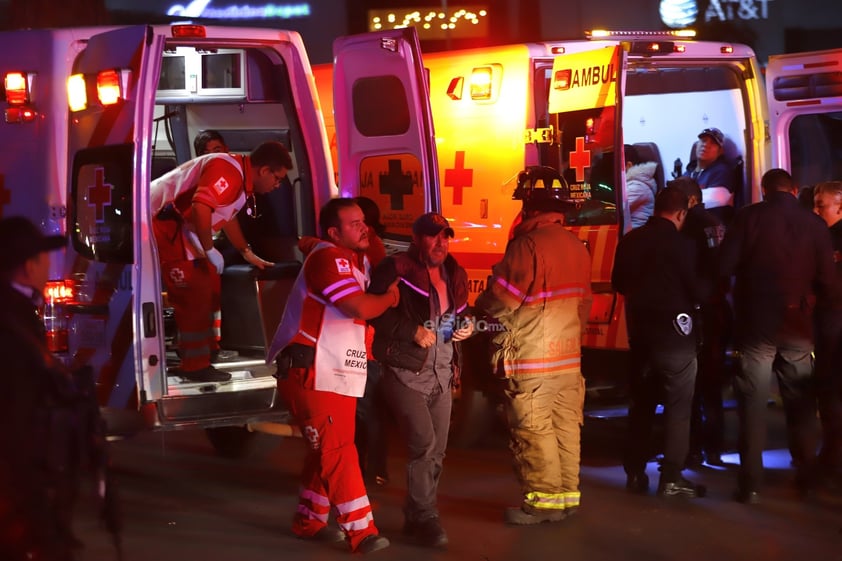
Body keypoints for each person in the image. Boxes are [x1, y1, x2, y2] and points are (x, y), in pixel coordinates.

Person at [267, 198, 399, 555]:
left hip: (334, 369)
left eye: (364, 221)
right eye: (354, 223)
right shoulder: (330, 258)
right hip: (312, 371)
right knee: (336, 450)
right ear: (333, 232)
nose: (365, 228)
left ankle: (309, 520)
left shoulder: (351, 259)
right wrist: (389, 297)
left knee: (326, 449)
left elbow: (373, 250)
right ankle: (362, 531)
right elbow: (357, 307)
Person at [475, 169, 592, 524]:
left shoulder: (527, 246)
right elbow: (584, 305)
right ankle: (566, 497)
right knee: (566, 429)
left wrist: (477, 308)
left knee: (533, 431)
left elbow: (503, 300)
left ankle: (542, 503)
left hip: (533, 359)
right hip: (568, 359)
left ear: (529, 206)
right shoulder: (576, 245)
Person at [719, 168, 835, 503]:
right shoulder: (814, 224)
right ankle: (806, 477)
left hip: (756, 323)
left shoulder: (747, 218)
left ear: (763, 189)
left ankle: (751, 483)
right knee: (800, 402)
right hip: (797, 322)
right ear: (794, 189)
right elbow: (828, 280)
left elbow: (724, 266)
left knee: (752, 403)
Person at [367, 212, 473, 548]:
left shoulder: (454, 271)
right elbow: (373, 312)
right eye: (433, 236)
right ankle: (427, 517)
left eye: (446, 236)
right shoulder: (395, 268)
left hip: (442, 374)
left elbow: (459, 314)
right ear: (416, 238)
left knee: (437, 451)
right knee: (423, 445)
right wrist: (410, 331)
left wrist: (465, 325)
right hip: (404, 371)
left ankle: (415, 516)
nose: (441, 243)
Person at [151, 141, 288, 382]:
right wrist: (209, 248)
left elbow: (227, 217)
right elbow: (201, 206)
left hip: (181, 232)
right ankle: (194, 366)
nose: (277, 186)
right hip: (164, 228)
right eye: (277, 179)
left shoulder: (239, 176)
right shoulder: (229, 171)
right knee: (193, 296)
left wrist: (246, 252)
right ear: (264, 170)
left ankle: (207, 354)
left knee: (210, 288)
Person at [612, 187, 706, 498]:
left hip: (640, 334)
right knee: (678, 408)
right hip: (675, 337)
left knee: (641, 405)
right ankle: (672, 478)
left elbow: (618, 284)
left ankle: (636, 472)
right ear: (682, 214)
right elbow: (696, 290)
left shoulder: (630, 241)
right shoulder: (683, 245)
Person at [0, 217, 76, 561]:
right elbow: (16, 421)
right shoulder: (14, 322)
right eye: (44, 257)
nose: (49, 265)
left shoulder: (14, 311)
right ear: (29, 267)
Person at [668, 177, 729, 466]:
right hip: (716, 309)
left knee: (690, 383)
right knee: (712, 382)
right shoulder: (715, 223)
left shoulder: (687, 226)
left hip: (694, 310)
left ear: (690, 200)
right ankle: (715, 446)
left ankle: (692, 448)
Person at [352, 196, 390, 487]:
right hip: (366, 344)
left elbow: (365, 303)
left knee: (366, 411)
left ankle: (368, 470)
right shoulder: (369, 247)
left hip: (366, 344)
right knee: (370, 411)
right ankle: (372, 469)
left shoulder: (368, 249)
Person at [811, 181, 842, 482]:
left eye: (822, 205)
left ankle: (832, 452)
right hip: (828, 317)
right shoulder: (823, 235)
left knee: (831, 386)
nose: (815, 210)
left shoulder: (833, 238)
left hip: (834, 318)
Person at [684, 127, 736, 221]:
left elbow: (716, 198)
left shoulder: (722, 171)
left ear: (720, 151)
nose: (706, 145)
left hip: (710, 229)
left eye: (713, 143)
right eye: (703, 141)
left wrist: (680, 201)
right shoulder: (688, 172)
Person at [624, 144, 659, 228]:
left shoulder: (638, 187)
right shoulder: (632, 184)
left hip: (634, 237)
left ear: (628, 166)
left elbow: (613, 212)